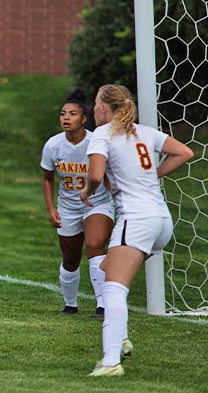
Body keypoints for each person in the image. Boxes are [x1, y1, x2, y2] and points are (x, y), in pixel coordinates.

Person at [82, 84, 193, 377]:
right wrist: (153, 175)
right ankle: (121, 341)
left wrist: (87, 190)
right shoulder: (144, 132)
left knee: (114, 288)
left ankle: (110, 362)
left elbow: (94, 174)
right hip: (161, 221)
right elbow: (184, 152)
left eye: (95, 104)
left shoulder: (103, 134)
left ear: (104, 109)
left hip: (136, 220)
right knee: (108, 269)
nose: (93, 109)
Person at [40, 89, 114, 318]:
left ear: (84, 119)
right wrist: (51, 208)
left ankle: (103, 305)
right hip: (68, 207)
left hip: (97, 203)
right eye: (63, 113)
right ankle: (70, 304)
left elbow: (109, 175)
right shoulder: (53, 146)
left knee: (94, 245)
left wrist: (120, 202)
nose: (66, 118)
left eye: (72, 114)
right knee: (70, 258)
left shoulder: (97, 142)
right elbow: (47, 178)